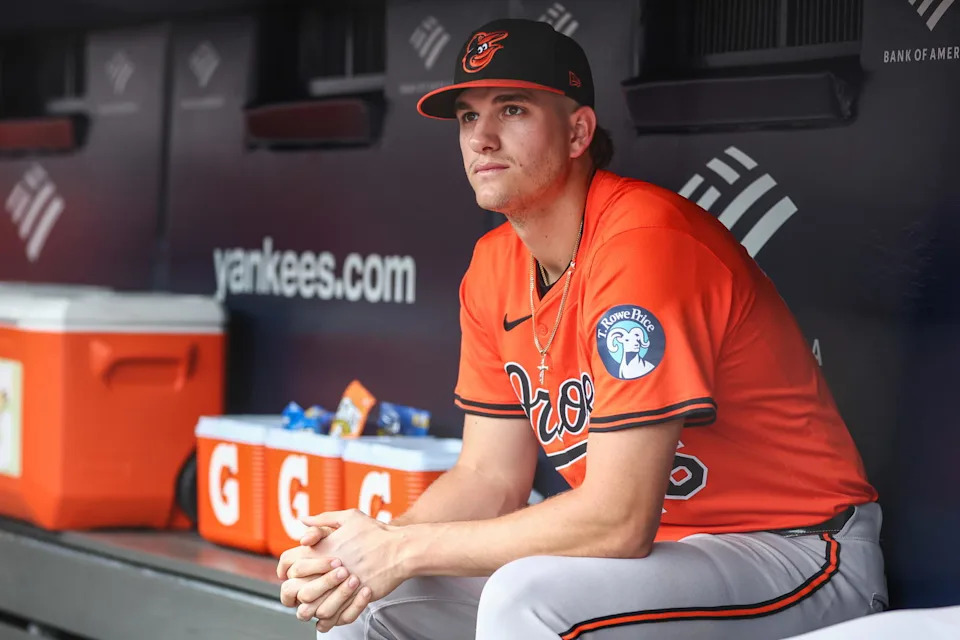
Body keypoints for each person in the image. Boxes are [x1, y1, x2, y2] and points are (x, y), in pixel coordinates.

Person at [277, 18, 887, 639]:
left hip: (798, 551)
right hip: (660, 557)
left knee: (525, 597)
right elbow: (490, 478)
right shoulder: (493, 267)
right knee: (363, 603)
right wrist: (369, 550)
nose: (481, 138)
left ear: (578, 132)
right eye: (467, 117)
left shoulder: (643, 244)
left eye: (510, 110)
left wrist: (401, 552)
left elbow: (618, 520)